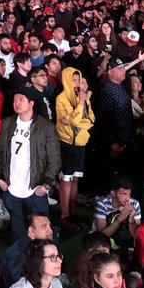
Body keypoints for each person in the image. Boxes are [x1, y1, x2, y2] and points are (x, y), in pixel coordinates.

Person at [0, 88, 59, 239]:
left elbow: (54, 158)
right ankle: (19, 260)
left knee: (42, 232)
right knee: (18, 231)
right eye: (15, 100)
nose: (17, 103)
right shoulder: (8, 123)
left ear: (31, 103)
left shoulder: (45, 126)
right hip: (12, 187)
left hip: (35, 188)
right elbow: (1, 152)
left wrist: (45, 185)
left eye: (21, 100)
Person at [55, 66, 95, 228]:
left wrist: (75, 120)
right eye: (74, 79)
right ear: (66, 80)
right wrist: (80, 104)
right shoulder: (62, 98)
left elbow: (91, 119)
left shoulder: (83, 97)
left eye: (78, 79)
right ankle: (65, 216)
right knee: (66, 178)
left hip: (81, 142)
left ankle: (73, 213)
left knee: (76, 178)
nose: (77, 83)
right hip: (66, 143)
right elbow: (75, 118)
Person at [92, 175, 141, 262]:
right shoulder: (102, 204)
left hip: (123, 241)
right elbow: (102, 236)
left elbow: (137, 235)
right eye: (123, 194)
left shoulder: (134, 203)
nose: (127, 198)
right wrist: (120, 218)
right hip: (104, 242)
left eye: (129, 194)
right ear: (113, 193)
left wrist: (131, 219)